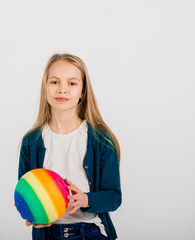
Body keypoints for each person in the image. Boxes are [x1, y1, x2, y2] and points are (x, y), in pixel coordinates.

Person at [18, 53, 122, 240]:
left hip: (90, 233)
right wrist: (32, 214)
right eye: (55, 82)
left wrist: (85, 199)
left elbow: (114, 197)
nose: (62, 89)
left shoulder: (101, 140)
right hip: (47, 235)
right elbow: (25, 191)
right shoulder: (30, 142)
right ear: (45, 88)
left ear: (82, 92)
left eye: (72, 83)